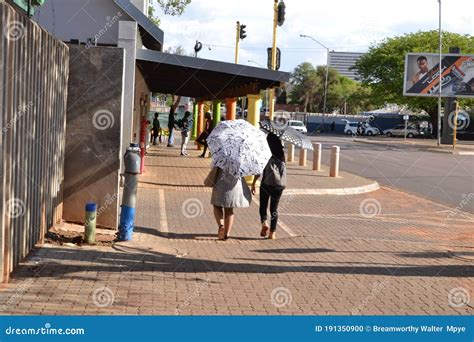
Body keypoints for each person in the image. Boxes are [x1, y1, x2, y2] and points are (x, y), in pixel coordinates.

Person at [251, 133, 286, 240]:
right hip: (279, 185)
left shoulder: (266, 154)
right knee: (274, 208)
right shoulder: (282, 156)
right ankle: (273, 233)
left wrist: (253, 183)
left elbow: (259, 171)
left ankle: (264, 223)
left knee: (263, 206)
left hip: (266, 184)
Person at [211, 168, 252, 240]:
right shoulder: (241, 159)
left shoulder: (221, 157)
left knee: (217, 205)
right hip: (234, 186)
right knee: (229, 209)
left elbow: (214, 167)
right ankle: (227, 233)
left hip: (220, 182)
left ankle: (221, 225)